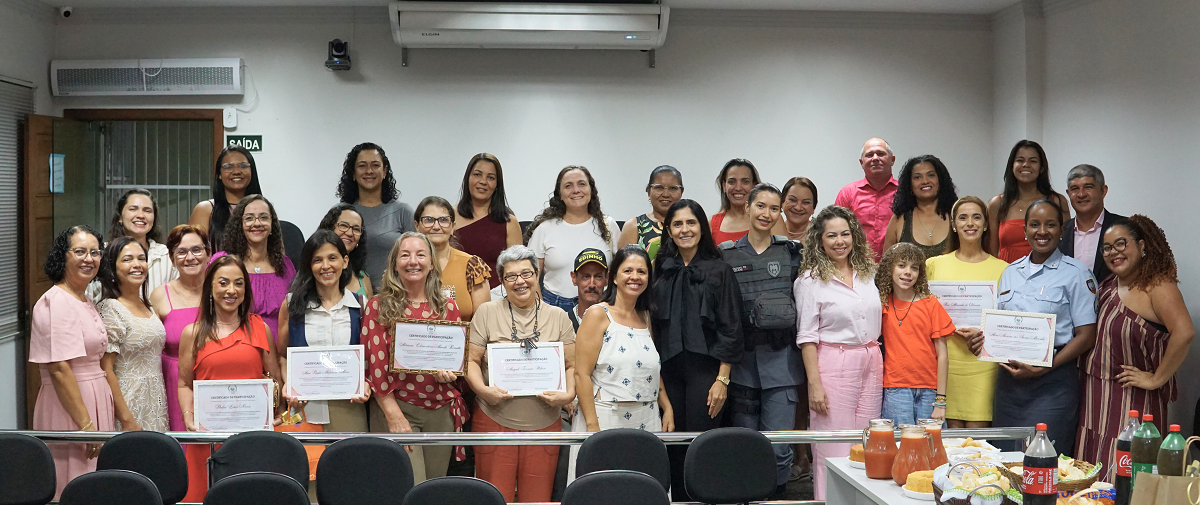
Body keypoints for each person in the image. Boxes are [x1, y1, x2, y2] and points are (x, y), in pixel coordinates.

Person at [969, 199, 1096, 456]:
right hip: (1008, 384)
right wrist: (981, 341)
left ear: (1062, 230)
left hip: (1052, 383)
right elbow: (999, 326)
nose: (1042, 231)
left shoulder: (1077, 274)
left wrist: (1045, 366)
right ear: (1025, 230)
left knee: (1045, 461)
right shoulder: (1010, 272)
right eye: (1035, 225)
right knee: (1003, 459)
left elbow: (1087, 335)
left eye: (1050, 225)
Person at [1076, 215, 1194, 480]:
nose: (1113, 252)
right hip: (1095, 395)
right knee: (1091, 472)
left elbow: (1184, 332)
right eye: (1107, 248)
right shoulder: (1109, 283)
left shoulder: (1157, 286)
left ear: (1141, 246)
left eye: (1121, 244)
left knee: (1126, 473)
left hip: (1133, 402)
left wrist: (1156, 379)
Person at [466, 245, 577, 502]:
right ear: (502, 282)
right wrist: (483, 391)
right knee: (495, 497)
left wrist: (568, 394)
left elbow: (571, 367)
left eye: (526, 273)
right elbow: (471, 361)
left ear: (537, 275)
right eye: (511, 276)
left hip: (544, 426)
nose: (520, 282)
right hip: (494, 421)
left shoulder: (559, 317)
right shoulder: (486, 312)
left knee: (537, 500)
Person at [651, 199, 743, 501]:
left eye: (691, 223)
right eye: (677, 224)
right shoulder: (660, 268)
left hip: (707, 372)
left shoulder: (720, 270)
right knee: (673, 446)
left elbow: (731, 327)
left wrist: (723, 380)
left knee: (703, 447)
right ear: (669, 230)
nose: (684, 229)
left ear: (702, 228)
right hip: (669, 371)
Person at [364, 232, 471, 482]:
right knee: (409, 488)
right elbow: (375, 367)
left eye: (421, 254)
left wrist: (449, 375)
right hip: (399, 408)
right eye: (405, 255)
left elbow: (453, 362)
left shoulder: (448, 306)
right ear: (394, 264)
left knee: (432, 489)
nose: (413, 261)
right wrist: (393, 416)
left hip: (441, 411)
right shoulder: (378, 306)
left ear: (431, 263)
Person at [177, 255, 285, 502]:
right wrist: (188, 417)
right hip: (206, 439)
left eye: (238, 283)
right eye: (223, 282)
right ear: (210, 288)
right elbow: (184, 384)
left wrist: (275, 412)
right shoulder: (192, 333)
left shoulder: (260, 328)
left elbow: (274, 381)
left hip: (251, 439)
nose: (231, 290)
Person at [719, 184, 803, 497]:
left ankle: (777, 496)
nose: (766, 214)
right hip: (741, 366)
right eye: (761, 206)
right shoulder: (726, 256)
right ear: (749, 208)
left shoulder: (792, 253)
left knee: (779, 449)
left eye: (773, 208)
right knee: (744, 445)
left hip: (782, 364)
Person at [794, 205, 881, 500]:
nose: (840, 241)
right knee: (832, 448)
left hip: (871, 359)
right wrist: (814, 385)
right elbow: (806, 338)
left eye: (845, 234)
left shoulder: (867, 273)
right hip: (833, 362)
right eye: (832, 235)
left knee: (866, 446)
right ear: (820, 240)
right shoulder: (810, 281)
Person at [570, 246, 674, 476]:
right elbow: (581, 374)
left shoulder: (645, 316)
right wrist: (592, 427)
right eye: (628, 270)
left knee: (643, 491)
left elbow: (651, 369)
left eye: (642, 271)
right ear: (614, 276)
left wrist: (666, 406)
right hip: (605, 417)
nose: (635, 277)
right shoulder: (598, 314)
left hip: (647, 418)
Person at [29, 225, 114, 500]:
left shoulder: (85, 299)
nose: (88, 258)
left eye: (94, 252)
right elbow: (59, 369)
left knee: (96, 484)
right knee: (73, 485)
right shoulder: (56, 301)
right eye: (79, 251)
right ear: (62, 256)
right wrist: (86, 428)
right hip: (70, 408)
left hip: (93, 401)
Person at [925, 196, 1008, 429]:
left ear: (985, 224)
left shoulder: (1003, 269)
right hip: (945, 360)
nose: (969, 223)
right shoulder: (933, 265)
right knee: (949, 443)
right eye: (963, 217)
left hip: (982, 361)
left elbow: (1006, 321)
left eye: (976, 217)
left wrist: (984, 332)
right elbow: (922, 313)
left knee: (976, 445)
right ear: (953, 224)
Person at [278, 230, 371, 433]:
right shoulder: (291, 304)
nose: (326, 266)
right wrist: (289, 383)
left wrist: (366, 383)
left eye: (332, 258)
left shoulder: (360, 305)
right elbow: (282, 355)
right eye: (317, 260)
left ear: (345, 261)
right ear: (309, 266)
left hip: (349, 408)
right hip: (304, 407)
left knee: (349, 462)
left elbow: (369, 360)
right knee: (308, 464)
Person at [875, 243, 954, 426]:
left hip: (929, 391)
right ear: (890, 268)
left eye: (914, 268)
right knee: (902, 447)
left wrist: (940, 401)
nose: (908, 272)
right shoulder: (881, 303)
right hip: (896, 388)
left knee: (931, 448)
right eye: (901, 265)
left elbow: (942, 355)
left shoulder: (930, 304)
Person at [97, 236, 168, 432]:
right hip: (128, 403)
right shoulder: (111, 308)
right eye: (127, 259)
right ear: (113, 267)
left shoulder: (149, 306)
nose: (137, 265)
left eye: (141, 258)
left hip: (155, 401)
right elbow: (106, 369)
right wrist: (127, 420)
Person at [525, 166, 619, 313]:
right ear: (560, 195)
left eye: (582, 184)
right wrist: (541, 310)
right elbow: (530, 276)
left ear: (591, 190)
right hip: (554, 307)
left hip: (601, 305)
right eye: (568, 186)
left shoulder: (609, 226)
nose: (576, 190)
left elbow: (621, 271)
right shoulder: (544, 229)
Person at [149, 225, 210, 431]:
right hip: (174, 381)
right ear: (172, 259)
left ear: (208, 253)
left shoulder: (221, 291)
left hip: (214, 377)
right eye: (181, 252)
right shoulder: (160, 295)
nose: (190, 257)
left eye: (196, 250)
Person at [211, 194, 296, 342]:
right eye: (249, 218)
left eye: (263, 217)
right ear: (240, 225)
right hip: (236, 348)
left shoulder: (285, 265)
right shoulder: (222, 262)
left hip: (278, 352)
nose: (257, 223)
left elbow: (293, 314)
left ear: (272, 225)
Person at [336, 142, 414, 290]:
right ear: (353, 172)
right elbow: (324, 251)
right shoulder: (340, 212)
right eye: (362, 166)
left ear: (384, 172)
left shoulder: (403, 212)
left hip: (395, 297)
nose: (369, 171)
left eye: (375, 165)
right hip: (348, 297)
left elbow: (417, 256)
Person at [987, 140, 1071, 262]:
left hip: (1050, 274)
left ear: (1042, 168)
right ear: (1012, 166)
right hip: (1007, 273)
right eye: (1020, 160)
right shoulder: (997, 203)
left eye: (1033, 161)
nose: (1026, 165)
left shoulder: (1057, 201)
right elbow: (991, 252)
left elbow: (1067, 245)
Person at [414, 196, 491, 321]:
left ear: (453, 226)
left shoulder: (472, 265)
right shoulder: (405, 265)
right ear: (417, 226)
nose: (436, 226)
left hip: (464, 339)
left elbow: (483, 324)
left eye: (443, 220)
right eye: (428, 220)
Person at [454, 153, 522, 289]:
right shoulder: (449, 217)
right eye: (477, 175)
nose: (483, 181)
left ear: (497, 184)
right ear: (468, 178)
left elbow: (517, 269)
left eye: (490, 177)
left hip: (497, 298)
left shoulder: (508, 221)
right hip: (457, 296)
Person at [189, 145, 263, 252]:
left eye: (243, 166)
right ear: (219, 174)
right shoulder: (205, 209)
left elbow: (276, 253)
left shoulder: (263, 209)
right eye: (228, 167)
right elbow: (193, 254)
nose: (236, 171)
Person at [882, 155, 958, 259]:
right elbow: (886, 268)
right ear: (909, 184)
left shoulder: (957, 215)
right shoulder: (899, 219)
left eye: (931, 175)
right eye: (917, 177)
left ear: (940, 180)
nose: (925, 181)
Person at [835, 138, 898, 261]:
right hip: (856, 267)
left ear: (892, 160)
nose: (875, 158)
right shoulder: (847, 193)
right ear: (861, 162)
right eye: (869, 155)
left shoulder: (905, 192)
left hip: (898, 268)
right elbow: (836, 231)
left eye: (881, 154)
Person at [104, 188, 176, 296]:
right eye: (133, 209)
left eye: (147, 210)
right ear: (120, 217)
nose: (141, 215)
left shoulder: (167, 255)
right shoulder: (102, 253)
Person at [1059, 164, 1125, 282]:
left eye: (1088, 187)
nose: (1081, 194)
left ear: (1103, 191)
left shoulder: (1125, 227)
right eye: (1075, 189)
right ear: (1068, 193)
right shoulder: (1060, 232)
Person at [617, 165, 685, 260]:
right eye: (659, 188)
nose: (666, 194)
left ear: (681, 192)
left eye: (673, 188)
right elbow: (623, 268)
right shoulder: (635, 226)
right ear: (648, 191)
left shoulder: (690, 226)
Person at [710, 158, 785, 244]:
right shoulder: (712, 224)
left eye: (745, 182)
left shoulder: (770, 219)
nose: (738, 188)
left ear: (754, 185)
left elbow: (784, 254)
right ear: (724, 186)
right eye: (732, 182)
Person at [316, 203, 375, 299]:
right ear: (329, 228)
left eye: (356, 229)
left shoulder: (363, 278)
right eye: (343, 225)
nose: (349, 233)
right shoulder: (316, 269)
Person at [566, 248, 608, 330]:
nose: (592, 285)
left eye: (598, 276)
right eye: (586, 277)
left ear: (607, 278)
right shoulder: (564, 322)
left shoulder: (615, 322)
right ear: (574, 278)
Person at [781, 177, 818, 242]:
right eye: (793, 200)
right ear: (782, 202)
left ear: (813, 207)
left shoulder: (820, 237)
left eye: (806, 202)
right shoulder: (770, 234)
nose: (798, 208)